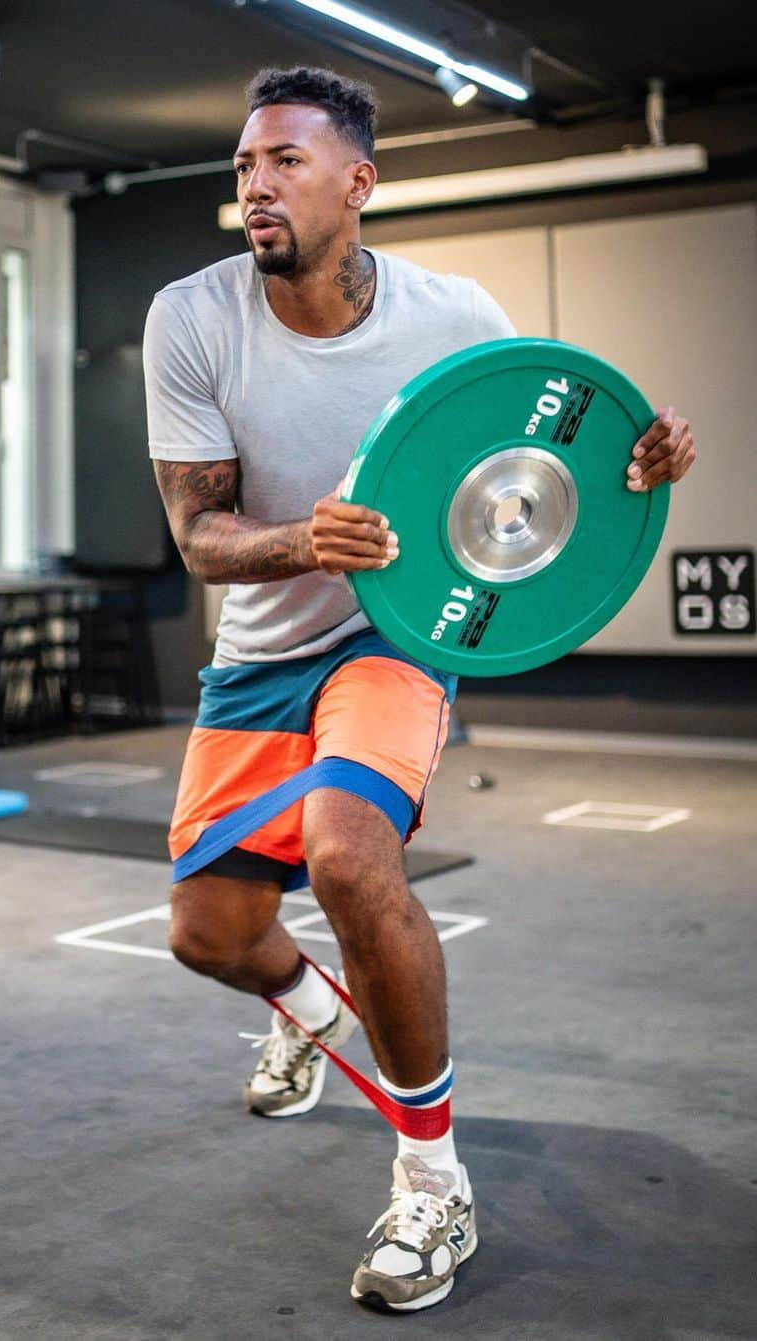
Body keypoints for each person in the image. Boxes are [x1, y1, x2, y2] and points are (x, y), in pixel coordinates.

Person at [142, 65, 696, 1313]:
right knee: (209, 935)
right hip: (260, 645)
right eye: (244, 165)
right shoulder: (192, 317)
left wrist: (641, 457)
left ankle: (432, 1183)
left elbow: (544, 470)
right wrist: (301, 542)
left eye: (285, 160)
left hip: (395, 637)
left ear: (359, 182)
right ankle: (303, 1012)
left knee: (346, 859)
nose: (256, 183)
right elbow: (199, 533)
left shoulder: (458, 316)